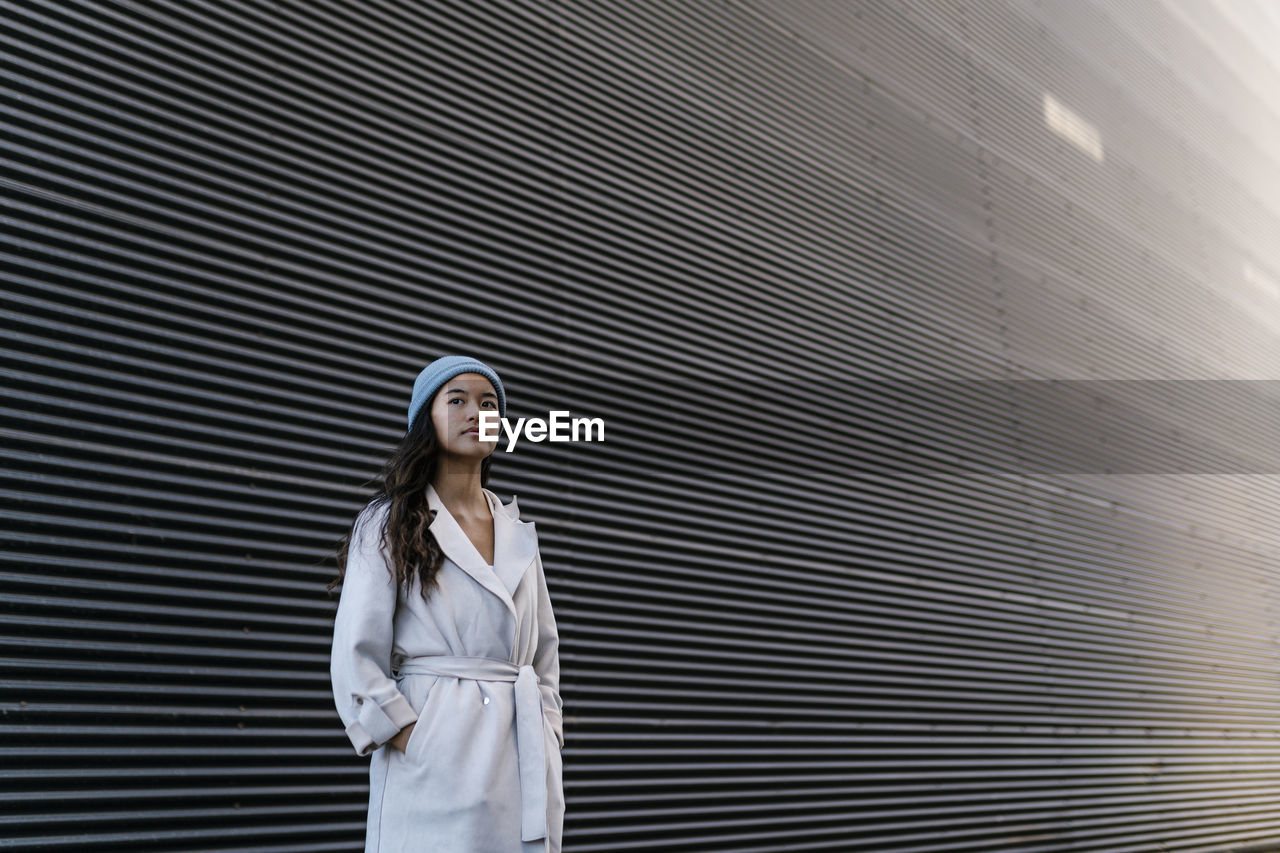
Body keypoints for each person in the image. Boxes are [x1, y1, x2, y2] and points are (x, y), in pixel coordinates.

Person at [328, 355, 565, 852]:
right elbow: (356, 656)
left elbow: (543, 656)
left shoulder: (518, 533)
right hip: (434, 756)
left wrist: (547, 731)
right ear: (425, 419)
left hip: (519, 752)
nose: (475, 412)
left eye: (488, 403)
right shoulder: (387, 523)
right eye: (456, 399)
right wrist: (418, 737)